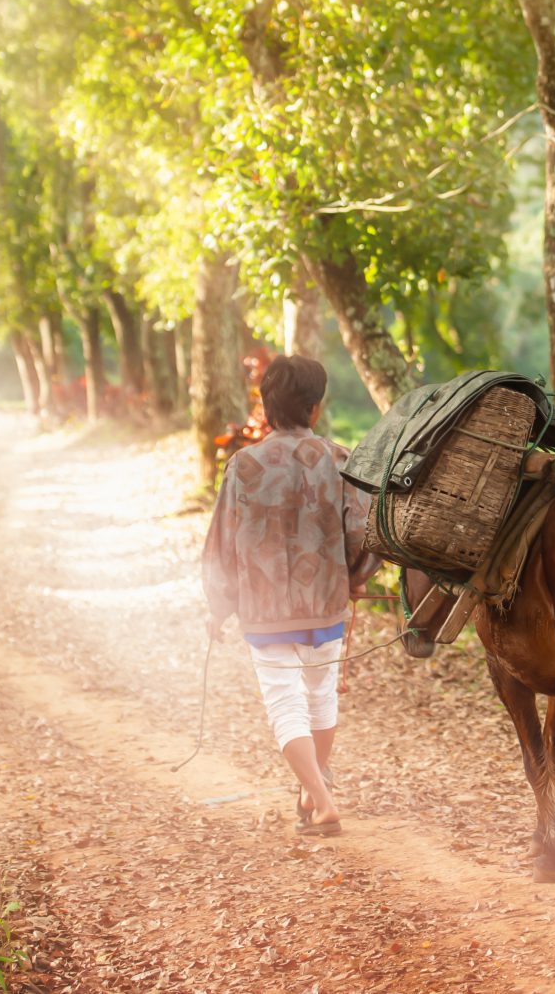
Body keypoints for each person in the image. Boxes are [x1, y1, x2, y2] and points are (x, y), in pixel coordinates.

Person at [202, 355, 377, 836]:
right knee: (320, 697)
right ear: (316, 409)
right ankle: (311, 791)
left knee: (285, 702)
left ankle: (320, 800)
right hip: (325, 603)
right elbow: (362, 534)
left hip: (265, 609)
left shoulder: (243, 465)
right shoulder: (340, 461)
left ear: (267, 404)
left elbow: (222, 539)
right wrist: (357, 578)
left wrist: (219, 606)